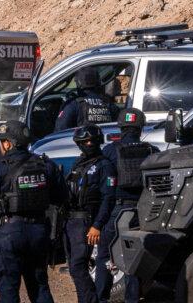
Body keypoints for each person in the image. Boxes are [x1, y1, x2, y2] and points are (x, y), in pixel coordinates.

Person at [0, 119, 67, 303]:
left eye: (1, 141)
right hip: (39, 232)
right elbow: (61, 197)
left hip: (8, 235)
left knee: (8, 293)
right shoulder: (46, 165)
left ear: (8, 143)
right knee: (40, 289)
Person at [96, 108, 156, 303]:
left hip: (117, 210)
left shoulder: (109, 150)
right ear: (141, 127)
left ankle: (101, 298)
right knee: (135, 258)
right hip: (144, 211)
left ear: (120, 127)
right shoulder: (152, 150)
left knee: (105, 255)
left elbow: (103, 185)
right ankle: (133, 299)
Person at [64, 125, 116, 303]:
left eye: (92, 140)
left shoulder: (104, 165)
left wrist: (97, 225)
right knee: (74, 266)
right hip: (72, 221)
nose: (88, 143)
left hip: (88, 221)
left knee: (78, 266)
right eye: (85, 141)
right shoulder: (78, 164)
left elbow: (108, 198)